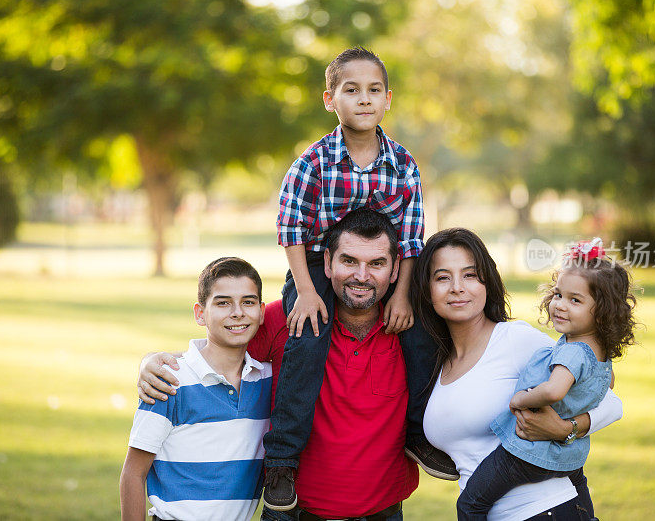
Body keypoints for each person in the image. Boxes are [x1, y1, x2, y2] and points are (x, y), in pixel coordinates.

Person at [138, 208, 422, 520]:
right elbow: (219, 352)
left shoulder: (409, 327)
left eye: (377, 264)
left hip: (383, 513)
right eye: (349, 261)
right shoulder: (288, 319)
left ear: (396, 269)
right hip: (292, 512)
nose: (361, 276)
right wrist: (152, 361)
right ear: (327, 262)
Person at [268, 46, 455, 509]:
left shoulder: (404, 164)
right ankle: (282, 461)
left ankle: (418, 433)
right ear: (330, 99)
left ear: (388, 98)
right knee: (308, 340)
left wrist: (404, 296)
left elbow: (412, 237)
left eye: (374, 90)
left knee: (417, 337)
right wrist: (307, 293)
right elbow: (290, 230)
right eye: (351, 91)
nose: (364, 99)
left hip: (385, 267)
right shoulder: (312, 163)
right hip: (315, 265)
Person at [412, 229, 625, 520]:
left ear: (487, 282)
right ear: (426, 289)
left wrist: (567, 428)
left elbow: (609, 398)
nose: (457, 287)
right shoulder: (434, 364)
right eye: (442, 277)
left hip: (547, 509)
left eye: (470, 275)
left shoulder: (514, 340)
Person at [119, 257, 272, 521]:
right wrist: (148, 361)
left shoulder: (267, 379)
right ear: (200, 314)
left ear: (261, 310)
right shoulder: (168, 381)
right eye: (223, 303)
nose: (237, 312)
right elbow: (133, 473)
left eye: (248, 302)